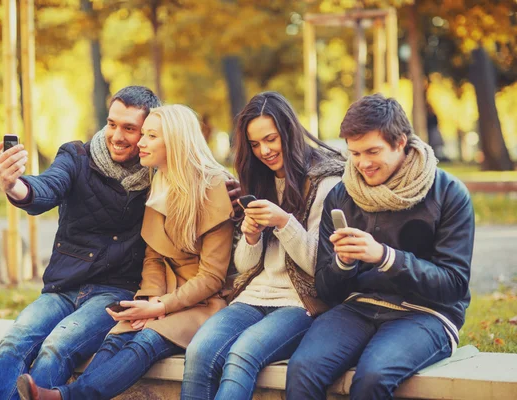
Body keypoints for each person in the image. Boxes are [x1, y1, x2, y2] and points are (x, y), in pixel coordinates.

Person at [15, 104, 235, 400]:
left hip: (203, 302)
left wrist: (161, 308)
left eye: (151, 136)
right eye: (142, 134)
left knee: (147, 340)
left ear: (176, 141)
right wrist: (148, 300)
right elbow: (154, 257)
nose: (140, 143)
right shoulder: (158, 182)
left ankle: (62, 397)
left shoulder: (214, 188)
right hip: (162, 293)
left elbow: (212, 277)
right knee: (115, 338)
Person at [286, 93, 474, 400]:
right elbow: (326, 289)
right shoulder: (342, 195)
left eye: (372, 151)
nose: (363, 164)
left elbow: (453, 285)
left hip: (427, 313)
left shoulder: (449, 193)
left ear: (400, 142)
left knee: (373, 376)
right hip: (359, 307)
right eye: (354, 153)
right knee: (303, 369)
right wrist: (343, 263)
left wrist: (385, 257)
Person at [0, 86, 161, 400]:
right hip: (65, 284)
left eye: (129, 129)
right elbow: (46, 188)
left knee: (55, 348)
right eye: (112, 124)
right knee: (13, 342)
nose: (116, 135)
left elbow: (197, 179)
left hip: (116, 290)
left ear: (147, 133)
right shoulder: (77, 156)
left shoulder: (160, 175)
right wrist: (14, 185)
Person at [181, 91, 345, 400]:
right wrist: (251, 235)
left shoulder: (327, 182)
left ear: (289, 132)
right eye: (255, 144)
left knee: (242, 355)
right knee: (200, 351)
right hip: (254, 295)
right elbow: (246, 266)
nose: (264, 151)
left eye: (270, 139)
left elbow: (319, 266)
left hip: (301, 303)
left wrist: (284, 223)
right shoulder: (262, 179)